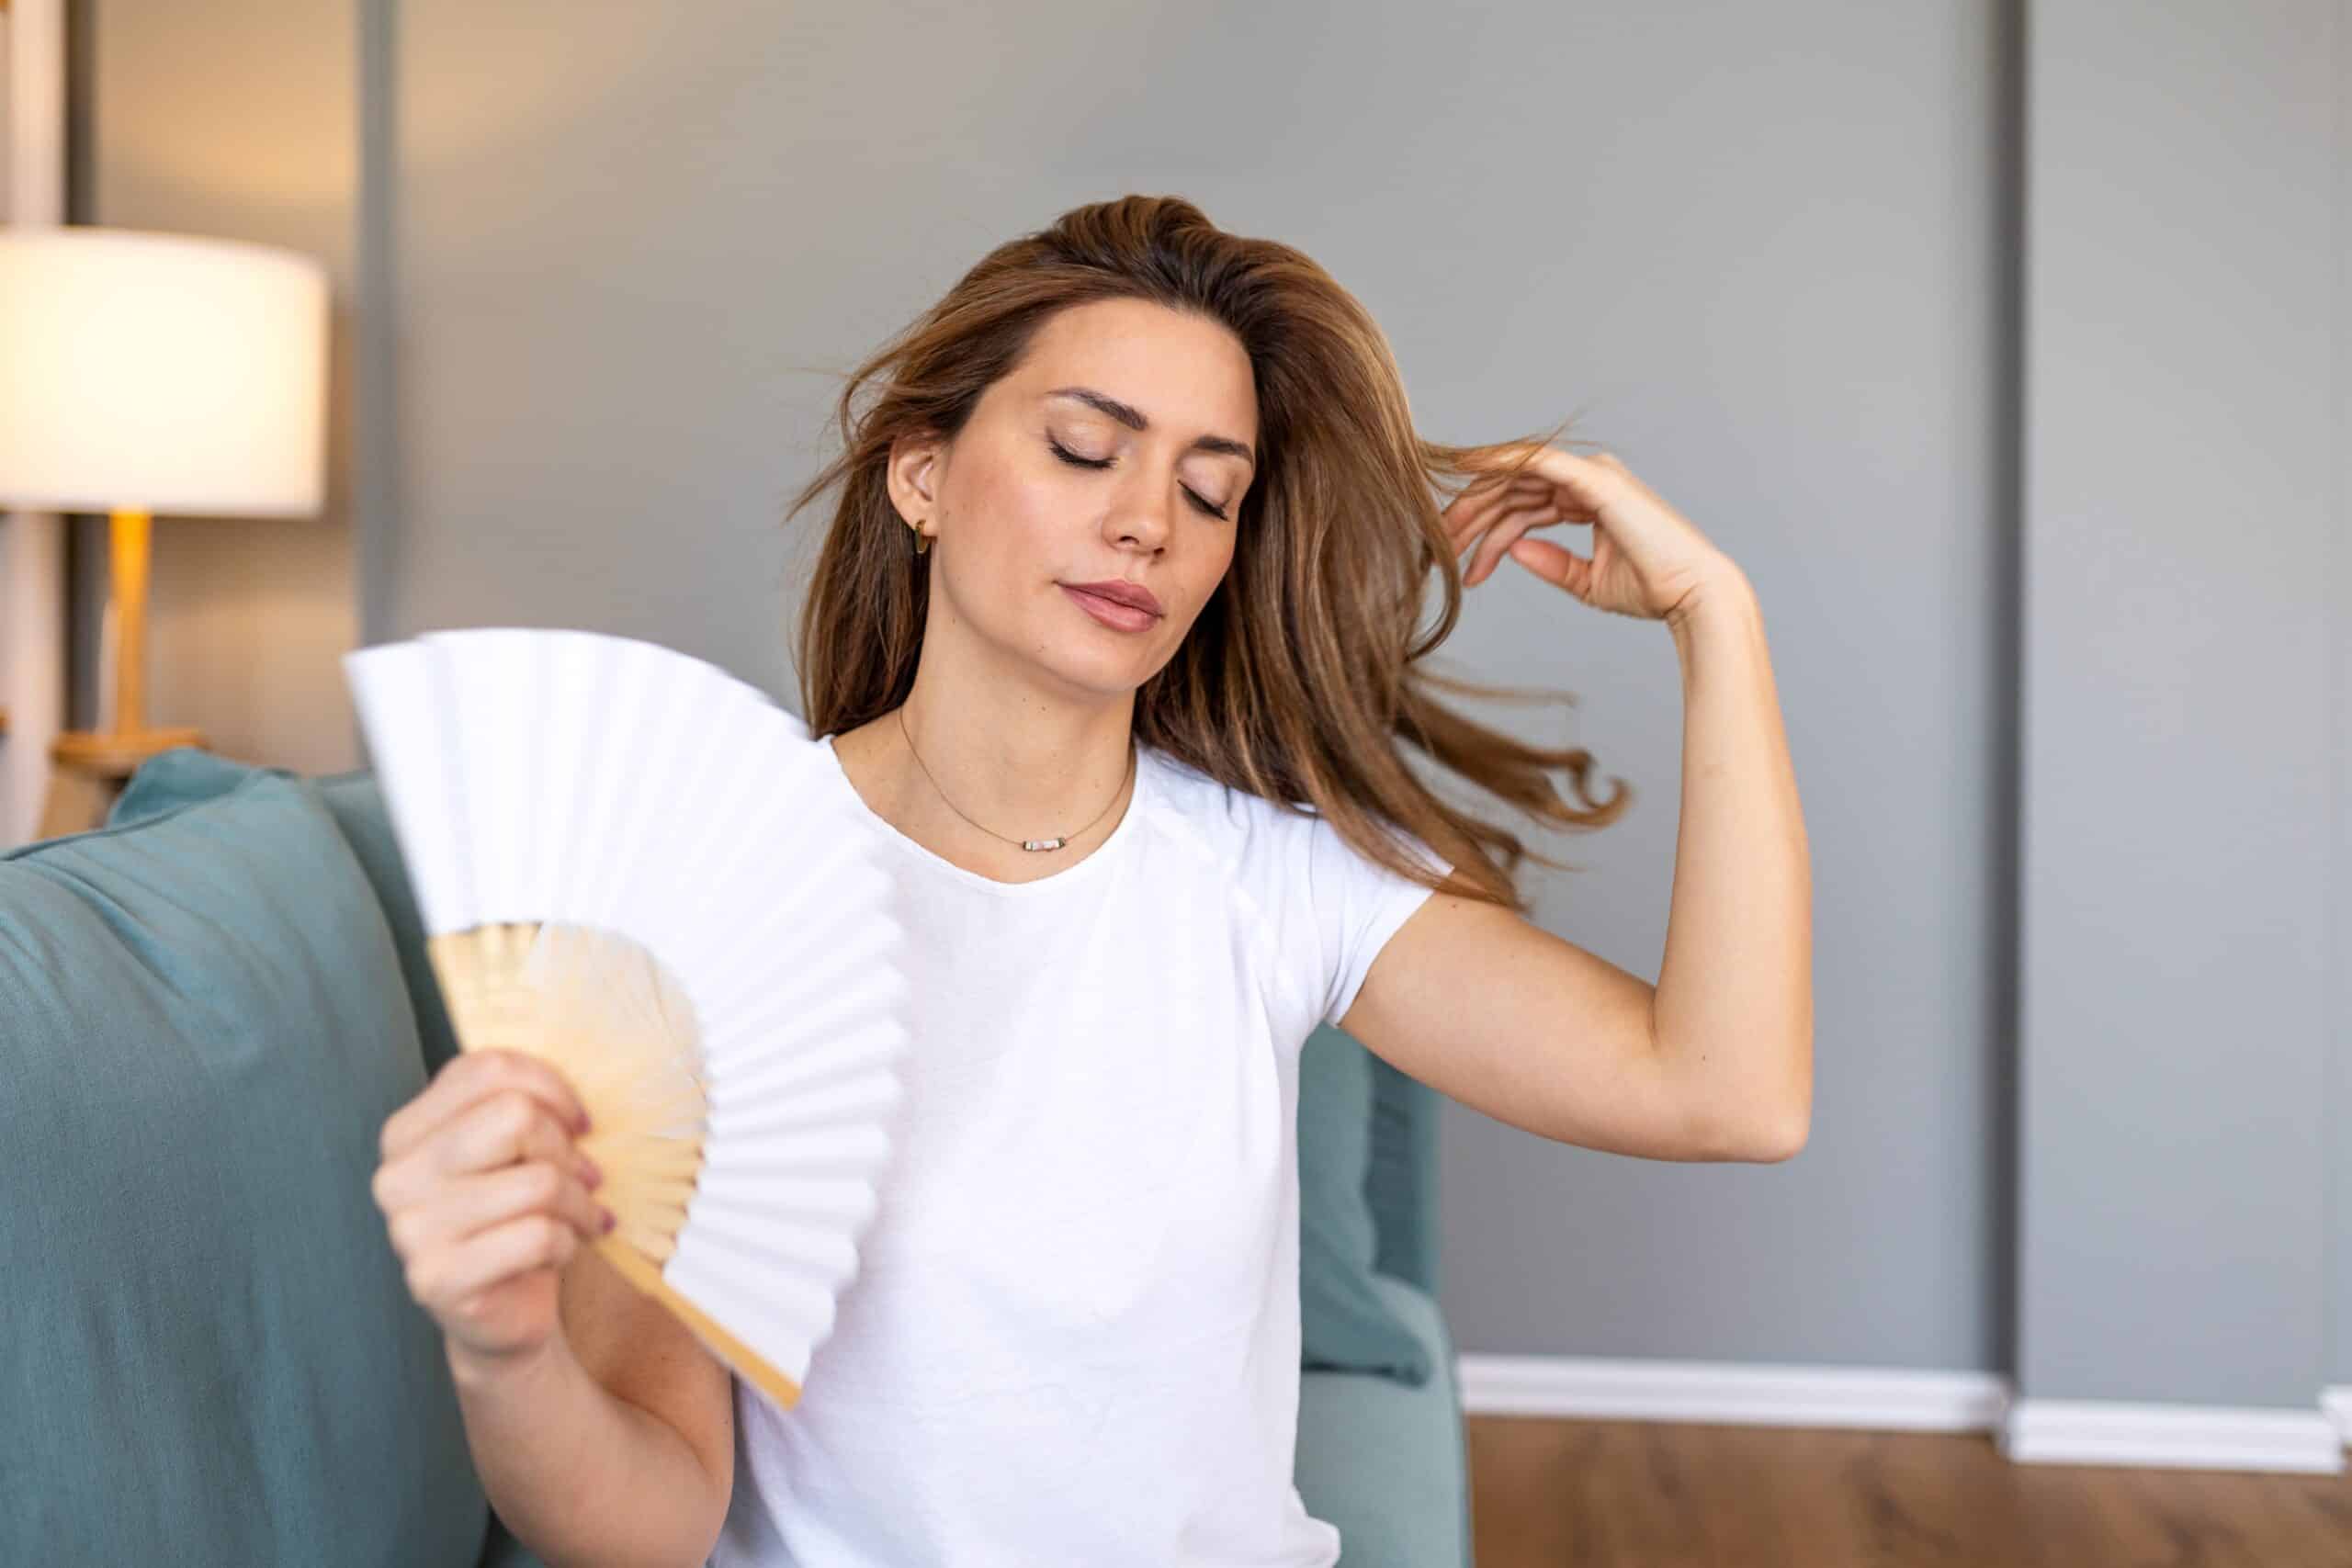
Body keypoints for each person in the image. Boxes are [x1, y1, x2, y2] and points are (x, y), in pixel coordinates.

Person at [368, 193, 1813, 1567]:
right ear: (920, 474)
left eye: (1209, 489)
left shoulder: (1276, 876)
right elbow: (653, 1520)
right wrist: (507, 1350)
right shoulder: (716, 890)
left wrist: (1715, 619)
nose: (1148, 523)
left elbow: (1728, 1094)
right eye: (1083, 448)